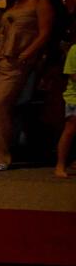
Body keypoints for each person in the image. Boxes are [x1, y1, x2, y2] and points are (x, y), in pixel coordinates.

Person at [0, 0, 54, 170]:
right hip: (1, 56)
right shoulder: (15, 2)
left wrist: (27, 54)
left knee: (1, 104)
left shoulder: (41, 1)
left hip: (18, 61)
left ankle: (0, 156)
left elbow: (44, 33)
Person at [55, 40, 76, 178]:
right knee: (70, 129)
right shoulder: (74, 49)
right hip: (74, 97)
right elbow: (73, 75)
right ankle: (60, 164)